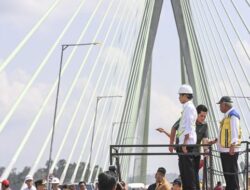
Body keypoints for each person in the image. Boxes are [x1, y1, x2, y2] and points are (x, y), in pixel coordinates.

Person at [217, 96, 241, 190]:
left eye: (220, 105)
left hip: (229, 149)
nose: (219, 107)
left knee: (231, 173)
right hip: (225, 149)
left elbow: (235, 131)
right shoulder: (227, 116)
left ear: (224, 104)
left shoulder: (233, 115)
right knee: (227, 174)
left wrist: (232, 146)